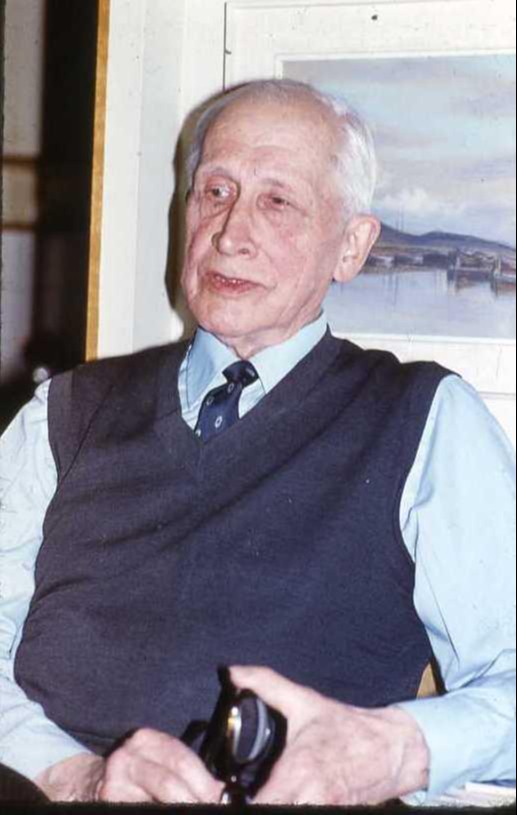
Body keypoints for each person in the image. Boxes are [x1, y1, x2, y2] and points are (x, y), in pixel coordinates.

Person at [0, 80, 515, 806]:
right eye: (215, 191)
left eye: (277, 201)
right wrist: (73, 773)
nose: (229, 233)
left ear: (352, 247)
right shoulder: (64, 412)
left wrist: (393, 750)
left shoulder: (425, 418)